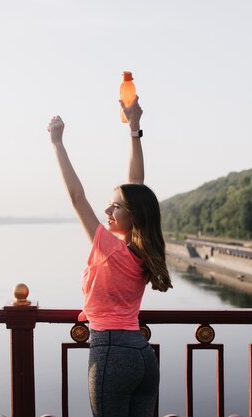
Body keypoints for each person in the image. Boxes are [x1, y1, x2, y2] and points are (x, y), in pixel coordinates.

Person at [47, 95, 172, 417]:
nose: (107, 210)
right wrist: (134, 128)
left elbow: (77, 197)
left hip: (112, 353)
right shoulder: (146, 250)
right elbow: (137, 187)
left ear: (132, 216)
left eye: (115, 206)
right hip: (143, 356)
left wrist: (57, 144)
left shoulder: (109, 248)